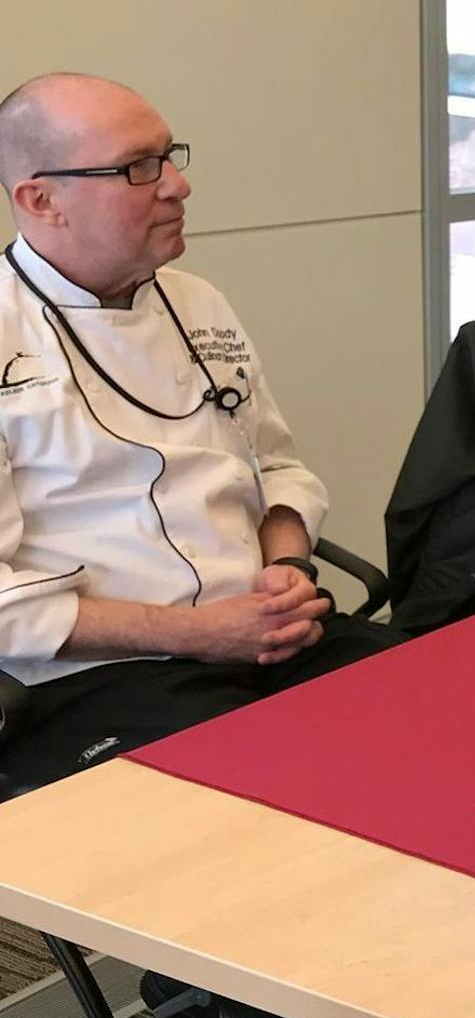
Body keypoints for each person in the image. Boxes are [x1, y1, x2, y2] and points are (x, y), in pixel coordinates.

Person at [0, 74, 400, 788]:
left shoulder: (197, 302)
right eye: (138, 168)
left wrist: (290, 569)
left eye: (170, 155)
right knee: (286, 801)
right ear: (40, 199)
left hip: (265, 636)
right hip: (101, 677)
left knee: (450, 705)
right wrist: (200, 634)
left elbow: (276, 469)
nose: (177, 185)